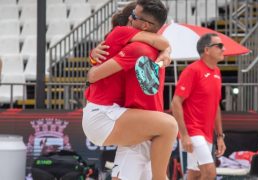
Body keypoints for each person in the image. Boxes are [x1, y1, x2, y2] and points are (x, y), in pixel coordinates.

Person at [82, 1, 178, 180]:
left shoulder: (143, 45)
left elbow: (163, 42)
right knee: (170, 126)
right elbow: (93, 76)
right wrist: (167, 49)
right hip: (107, 114)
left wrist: (166, 50)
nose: (129, 17)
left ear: (145, 25)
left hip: (128, 118)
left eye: (134, 15)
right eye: (131, 14)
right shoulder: (133, 42)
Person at [171, 33, 226, 180]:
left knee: (195, 174)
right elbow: (176, 102)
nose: (223, 49)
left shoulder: (217, 72)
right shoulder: (192, 70)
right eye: (219, 46)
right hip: (193, 131)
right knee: (209, 173)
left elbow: (216, 106)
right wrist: (184, 135)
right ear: (207, 50)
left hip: (207, 133)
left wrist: (220, 136)